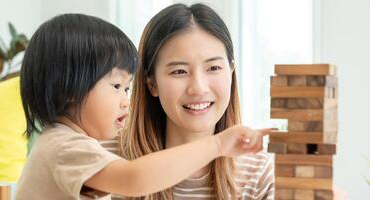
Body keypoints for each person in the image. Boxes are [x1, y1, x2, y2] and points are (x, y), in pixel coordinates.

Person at [16, 13, 269, 200]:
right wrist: (218, 145)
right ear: (68, 89)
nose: (126, 99)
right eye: (116, 86)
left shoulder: (69, 148)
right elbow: (134, 179)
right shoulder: (65, 148)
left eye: (127, 88)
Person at [116, 3, 274, 199]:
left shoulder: (257, 173)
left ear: (231, 72)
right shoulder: (107, 160)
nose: (198, 88)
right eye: (179, 71)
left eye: (213, 68)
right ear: (152, 84)